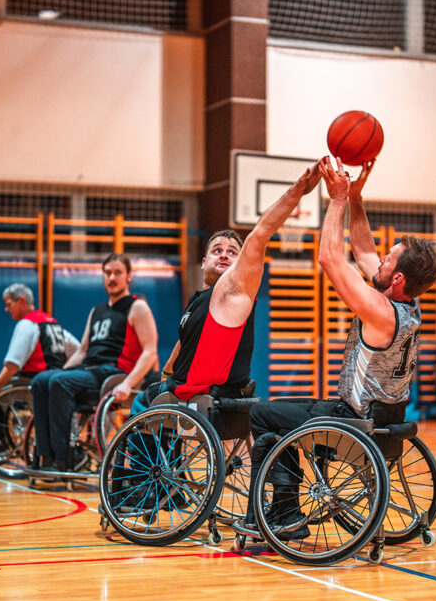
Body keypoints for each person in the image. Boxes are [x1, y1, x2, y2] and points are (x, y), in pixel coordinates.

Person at [236, 157, 436, 540]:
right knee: (286, 408)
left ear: (397, 278)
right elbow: (364, 250)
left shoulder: (380, 312)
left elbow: (330, 258)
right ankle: (283, 507)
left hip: (351, 421)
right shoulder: (407, 304)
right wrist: (357, 198)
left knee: (263, 416)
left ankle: (284, 513)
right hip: (384, 420)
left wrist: (336, 200)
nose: (379, 258)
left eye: (388, 259)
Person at [131, 160, 324, 413]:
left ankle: (146, 454)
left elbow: (261, 231)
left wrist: (296, 191)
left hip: (198, 391)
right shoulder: (197, 300)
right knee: (158, 393)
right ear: (203, 263)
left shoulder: (235, 290)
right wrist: (167, 371)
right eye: (217, 250)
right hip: (189, 386)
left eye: (232, 252)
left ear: (239, 263)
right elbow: (184, 342)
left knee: (139, 403)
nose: (224, 255)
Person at [29, 254, 159, 471]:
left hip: (112, 372)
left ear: (129, 277)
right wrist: (59, 371)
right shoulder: (97, 310)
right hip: (89, 369)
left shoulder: (137, 307)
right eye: (107, 273)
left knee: (59, 383)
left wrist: (128, 383)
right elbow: (82, 351)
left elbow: (150, 351)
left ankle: (65, 459)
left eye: (118, 272)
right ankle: (45, 456)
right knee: (42, 380)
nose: (112, 277)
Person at [0, 283, 79, 455]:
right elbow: (78, 349)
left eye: (9, 304)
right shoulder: (52, 323)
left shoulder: (27, 325)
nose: (6, 309)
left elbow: (12, 365)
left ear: (22, 301)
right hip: (53, 382)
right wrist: (63, 370)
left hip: (32, 383)